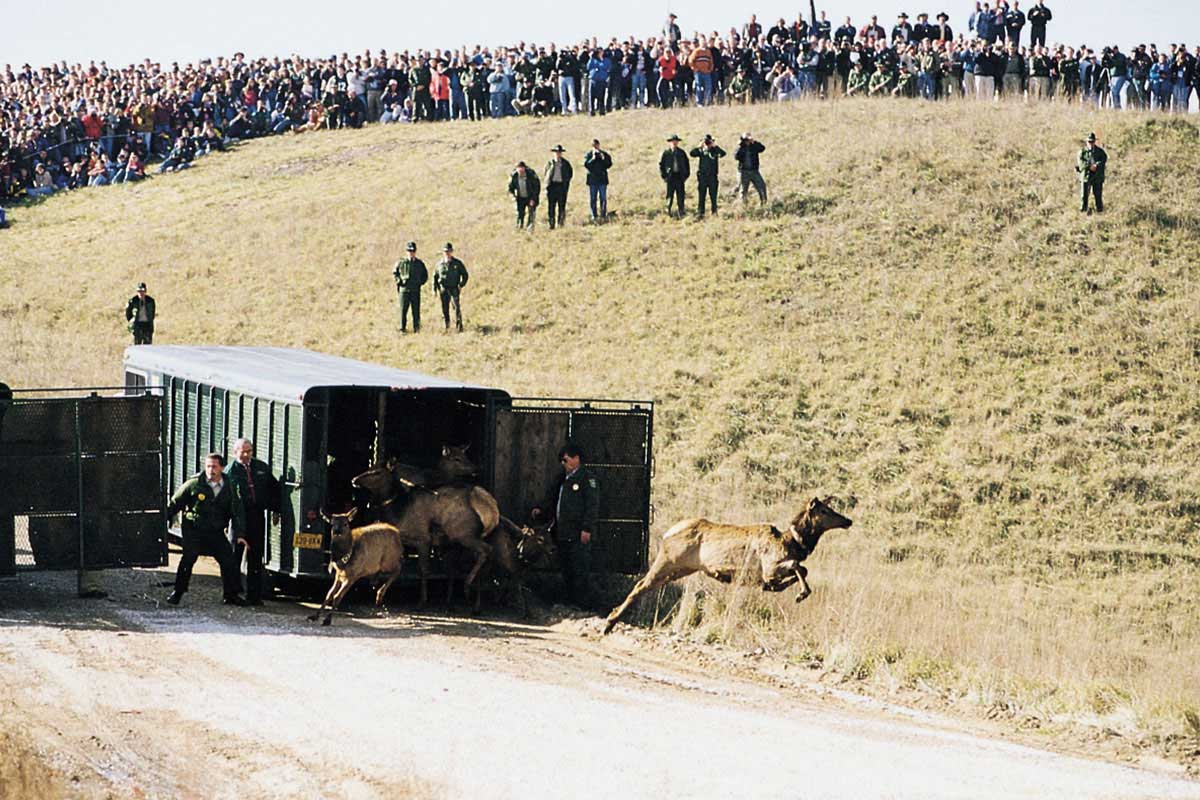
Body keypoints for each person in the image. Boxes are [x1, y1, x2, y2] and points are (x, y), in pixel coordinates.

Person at [165, 453, 247, 607]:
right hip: (194, 528)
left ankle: (230, 595)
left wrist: (240, 534)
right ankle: (178, 592)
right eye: (208, 466)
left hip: (215, 530)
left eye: (214, 466)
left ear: (222, 468)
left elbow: (237, 511)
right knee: (189, 558)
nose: (211, 470)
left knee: (228, 560)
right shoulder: (194, 483)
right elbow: (175, 503)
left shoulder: (229, 486)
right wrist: (163, 522)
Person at [530, 442, 599, 610]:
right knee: (567, 568)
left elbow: (592, 506)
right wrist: (541, 510)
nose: (563, 463)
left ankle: (582, 605)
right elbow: (553, 498)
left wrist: (587, 528)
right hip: (563, 532)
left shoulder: (587, 479)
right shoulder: (562, 478)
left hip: (578, 533)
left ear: (576, 459)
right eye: (561, 460)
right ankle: (569, 603)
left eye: (565, 459)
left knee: (579, 569)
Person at [224, 438, 280, 606]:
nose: (247, 455)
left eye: (249, 451)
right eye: (243, 451)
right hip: (238, 518)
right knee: (235, 556)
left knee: (256, 556)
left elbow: (274, 488)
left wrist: (276, 510)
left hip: (256, 515)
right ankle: (231, 594)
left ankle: (254, 596)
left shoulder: (261, 467)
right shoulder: (229, 472)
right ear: (235, 453)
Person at [392, 241, 428, 332]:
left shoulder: (419, 263)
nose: (411, 253)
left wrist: (419, 283)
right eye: (409, 251)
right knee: (403, 310)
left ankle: (417, 328)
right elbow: (395, 273)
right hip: (404, 290)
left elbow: (425, 275)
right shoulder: (401, 263)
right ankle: (402, 328)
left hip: (415, 290)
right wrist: (399, 281)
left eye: (412, 251)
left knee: (416, 311)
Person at [433, 242, 469, 332]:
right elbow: (435, 277)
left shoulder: (457, 263)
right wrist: (435, 290)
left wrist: (461, 285)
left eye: (449, 251)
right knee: (445, 309)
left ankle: (459, 327)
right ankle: (447, 326)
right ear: (443, 252)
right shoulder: (439, 265)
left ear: (452, 251)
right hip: (443, 289)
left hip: (454, 288)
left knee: (456, 308)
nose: (447, 253)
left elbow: (465, 275)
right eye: (445, 251)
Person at [689, 134, 726, 218]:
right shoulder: (701, 151)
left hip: (712, 176)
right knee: (701, 195)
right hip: (702, 177)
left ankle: (714, 212)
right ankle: (700, 213)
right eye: (707, 142)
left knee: (713, 195)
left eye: (709, 142)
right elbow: (692, 154)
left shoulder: (715, 151)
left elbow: (723, 154)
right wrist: (699, 146)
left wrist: (715, 146)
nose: (707, 144)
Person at [659, 134, 690, 218]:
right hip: (670, 177)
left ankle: (681, 211)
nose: (674, 143)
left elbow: (687, 164)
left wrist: (686, 175)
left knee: (681, 195)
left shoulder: (681, 153)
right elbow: (661, 165)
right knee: (670, 195)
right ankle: (668, 211)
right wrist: (664, 176)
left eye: (676, 141)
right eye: (673, 141)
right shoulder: (666, 153)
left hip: (679, 177)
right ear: (670, 142)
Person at [544, 145, 574, 229]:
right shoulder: (550, 163)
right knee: (551, 206)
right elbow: (546, 173)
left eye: (559, 152)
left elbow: (570, 173)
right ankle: (551, 224)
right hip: (552, 187)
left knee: (561, 206)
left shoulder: (565, 163)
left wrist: (565, 182)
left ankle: (561, 223)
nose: (558, 154)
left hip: (561, 187)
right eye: (556, 152)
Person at [582, 139, 613, 222]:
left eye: (597, 145)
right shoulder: (588, 155)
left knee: (603, 198)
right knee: (593, 198)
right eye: (594, 145)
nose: (596, 147)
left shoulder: (604, 154)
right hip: (593, 181)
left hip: (602, 180)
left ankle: (603, 214)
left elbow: (609, 164)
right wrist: (593, 158)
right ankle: (594, 215)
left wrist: (603, 158)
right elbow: (586, 165)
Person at [1077, 132, 1107, 213]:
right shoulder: (1082, 152)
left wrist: (1096, 166)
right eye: (1089, 142)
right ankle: (1083, 211)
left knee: (1098, 195)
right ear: (1086, 142)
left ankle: (1099, 211)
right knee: (1084, 196)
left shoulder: (1100, 152)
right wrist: (1089, 166)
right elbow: (1080, 163)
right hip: (1085, 177)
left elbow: (1103, 160)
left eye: (1092, 141)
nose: (1091, 143)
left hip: (1097, 177)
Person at [735, 132, 767, 206]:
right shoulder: (741, 148)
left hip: (754, 171)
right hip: (743, 171)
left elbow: (762, 148)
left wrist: (754, 142)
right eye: (746, 139)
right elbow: (736, 156)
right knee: (743, 190)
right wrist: (741, 145)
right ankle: (743, 206)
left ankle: (764, 204)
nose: (748, 141)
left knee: (762, 187)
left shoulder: (754, 146)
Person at [507, 161, 541, 230]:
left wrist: (533, 199)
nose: (520, 171)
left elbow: (536, 188)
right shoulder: (514, 176)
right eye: (519, 169)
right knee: (520, 214)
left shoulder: (531, 175)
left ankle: (530, 229)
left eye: (522, 168)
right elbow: (510, 189)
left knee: (531, 214)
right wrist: (513, 197)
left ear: (524, 168)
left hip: (530, 197)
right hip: (520, 198)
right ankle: (519, 227)